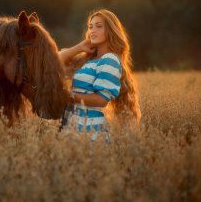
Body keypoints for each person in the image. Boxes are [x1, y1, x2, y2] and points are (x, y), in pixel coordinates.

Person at [59, 9, 141, 141]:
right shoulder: (87, 59)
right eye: (90, 27)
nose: (92, 30)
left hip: (90, 133)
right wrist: (79, 47)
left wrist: (68, 95)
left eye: (98, 26)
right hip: (69, 129)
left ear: (110, 30)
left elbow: (101, 100)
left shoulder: (110, 60)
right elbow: (55, 60)